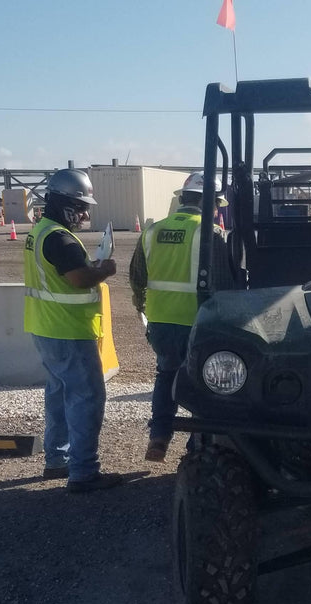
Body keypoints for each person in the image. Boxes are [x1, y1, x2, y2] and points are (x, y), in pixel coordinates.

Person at [24, 169, 122, 492]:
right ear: (64, 203)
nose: (84, 214)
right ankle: (83, 472)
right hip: (69, 330)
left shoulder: (41, 231)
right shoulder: (60, 239)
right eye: (80, 207)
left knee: (58, 394)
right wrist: (104, 269)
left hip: (46, 327)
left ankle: (57, 460)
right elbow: (78, 280)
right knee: (86, 397)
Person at [130, 172, 233, 462]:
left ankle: (159, 438)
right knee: (204, 383)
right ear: (209, 203)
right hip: (197, 322)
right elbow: (225, 284)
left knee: (166, 376)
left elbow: (137, 277)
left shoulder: (152, 231)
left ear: (183, 198)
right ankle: (196, 447)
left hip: (161, 321)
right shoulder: (209, 233)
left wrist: (146, 312)